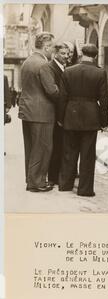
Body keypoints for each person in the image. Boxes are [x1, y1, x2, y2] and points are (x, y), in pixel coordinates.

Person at [58, 44, 108, 197]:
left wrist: (61, 118)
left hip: (71, 115)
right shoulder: (100, 72)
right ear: (95, 55)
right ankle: (85, 189)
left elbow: (62, 98)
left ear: (81, 53)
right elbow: (104, 100)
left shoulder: (68, 71)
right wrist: (104, 122)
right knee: (87, 155)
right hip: (91, 116)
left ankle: (65, 184)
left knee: (69, 153)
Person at [18, 32, 55, 192]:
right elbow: (51, 90)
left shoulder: (27, 62)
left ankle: (31, 178)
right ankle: (37, 182)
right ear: (46, 47)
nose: (52, 50)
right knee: (43, 147)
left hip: (27, 110)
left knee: (31, 147)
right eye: (52, 47)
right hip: (42, 112)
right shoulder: (43, 64)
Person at [42, 42, 70, 186]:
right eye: (63, 53)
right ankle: (53, 177)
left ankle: (60, 174)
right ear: (55, 53)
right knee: (56, 145)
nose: (66, 56)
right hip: (55, 113)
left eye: (67, 53)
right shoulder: (50, 68)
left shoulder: (65, 68)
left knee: (62, 145)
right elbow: (54, 93)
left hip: (63, 113)